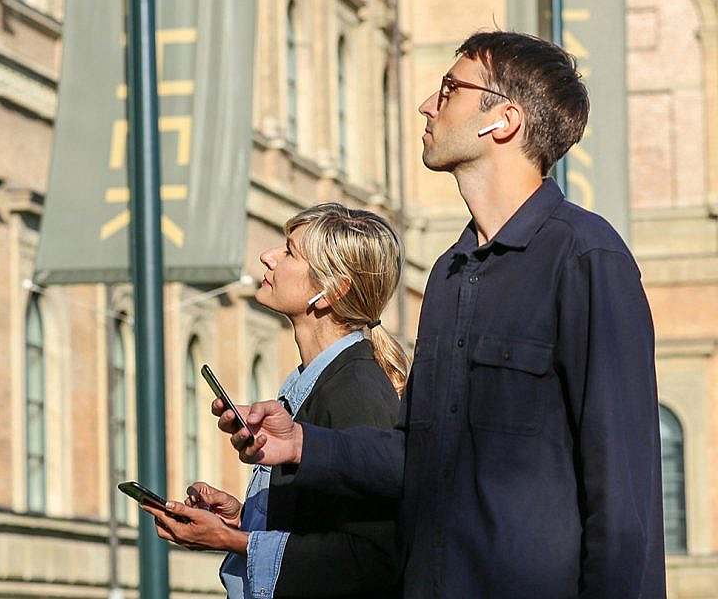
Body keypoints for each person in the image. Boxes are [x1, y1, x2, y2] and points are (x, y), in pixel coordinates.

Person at [215, 31, 667, 599]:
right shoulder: (450, 272)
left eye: (450, 89)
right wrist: (301, 443)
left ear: (503, 120)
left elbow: (624, 496)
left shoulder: (586, 258)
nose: (427, 105)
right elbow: (418, 455)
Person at [142, 203, 409, 598]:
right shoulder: (316, 382)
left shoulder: (356, 389)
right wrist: (240, 521)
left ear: (331, 290)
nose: (268, 256)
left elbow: (372, 558)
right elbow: (317, 525)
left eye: (289, 252)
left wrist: (234, 541)